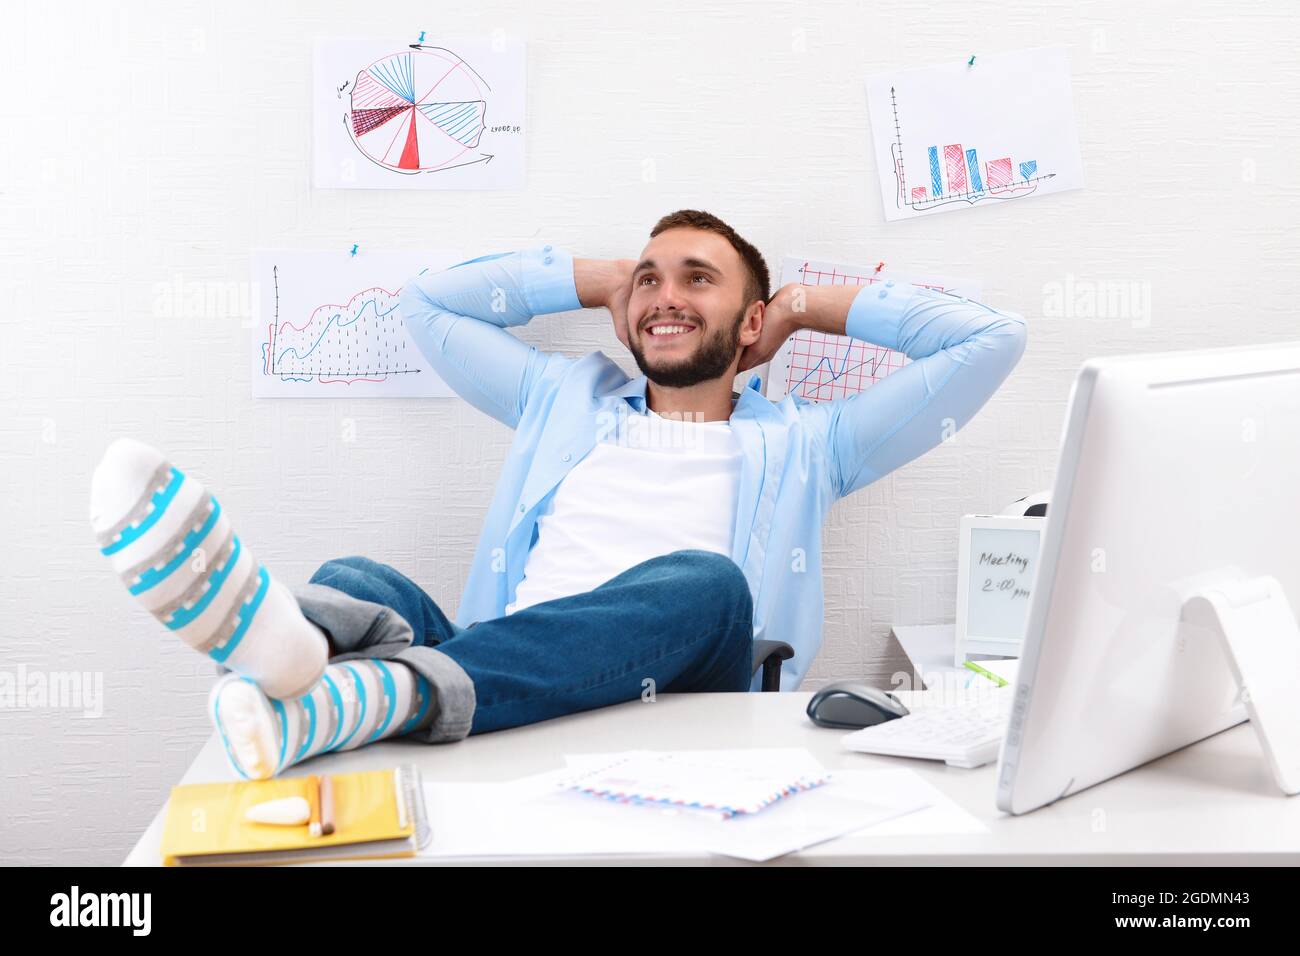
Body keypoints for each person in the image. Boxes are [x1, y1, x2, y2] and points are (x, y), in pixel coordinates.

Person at [89, 210, 1027, 779]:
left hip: (676, 691)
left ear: (746, 318)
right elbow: (426, 302)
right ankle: (302, 675)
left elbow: (991, 340)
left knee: (707, 584)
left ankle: (332, 678)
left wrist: (799, 306)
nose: (665, 294)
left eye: (698, 279)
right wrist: (602, 278)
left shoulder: (811, 442)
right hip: (509, 676)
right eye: (650, 279)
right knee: (358, 577)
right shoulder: (563, 398)